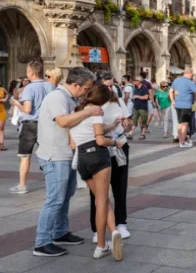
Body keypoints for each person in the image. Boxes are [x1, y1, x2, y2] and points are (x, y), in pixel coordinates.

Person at [32, 68, 101, 258]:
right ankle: (42, 242)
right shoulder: (57, 97)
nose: (87, 92)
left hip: (66, 154)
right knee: (55, 199)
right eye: (86, 88)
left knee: (65, 196)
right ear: (75, 85)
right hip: (55, 155)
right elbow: (62, 121)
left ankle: (60, 232)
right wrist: (88, 112)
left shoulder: (69, 98)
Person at [68, 83, 124, 261]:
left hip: (82, 158)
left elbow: (73, 144)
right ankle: (101, 245)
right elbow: (99, 140)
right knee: (102, 200)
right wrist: (115, 143)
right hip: (98, 156)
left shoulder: (77, 112)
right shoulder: (97, 112)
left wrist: (110, 126)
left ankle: (113, 231)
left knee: (102, 200)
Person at [91, 74, 131, 242]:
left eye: (112, 85)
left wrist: (127, 125)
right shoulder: (92, 105)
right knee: (97, 192)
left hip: (120, 145)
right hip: (100, 147)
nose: (110, 89)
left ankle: (121, 222)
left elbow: (129, 124)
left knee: (120, 186)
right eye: (107, 86)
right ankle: (96, 229)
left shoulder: (118, 101)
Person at [10, 59, 53, 195]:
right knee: (47, 155)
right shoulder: (51, 86)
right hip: (46, 124)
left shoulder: (29, 88)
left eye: (28, 71)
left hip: (30, 125)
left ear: (32, 72)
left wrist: (17, 104)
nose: (26, 73)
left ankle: (22, 185)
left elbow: (27, 109)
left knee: (25, 156)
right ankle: (50, 181)